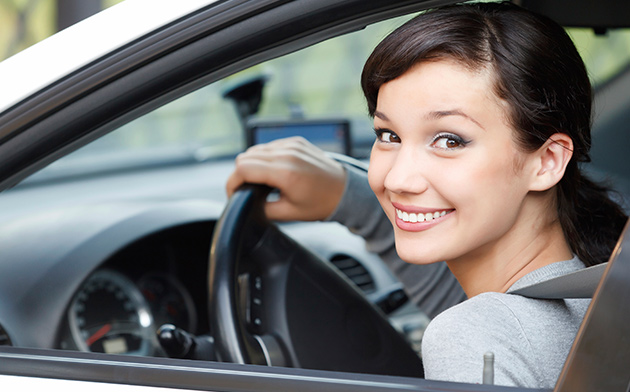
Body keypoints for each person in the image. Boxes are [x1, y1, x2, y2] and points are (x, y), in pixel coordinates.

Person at [227, 2, 628, 388]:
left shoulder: (476, 338)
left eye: (449, 140)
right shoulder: (598, 290)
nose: (398, 178)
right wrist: (345, 196)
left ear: (546, 162)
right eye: (389, 135)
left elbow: (484, 326)